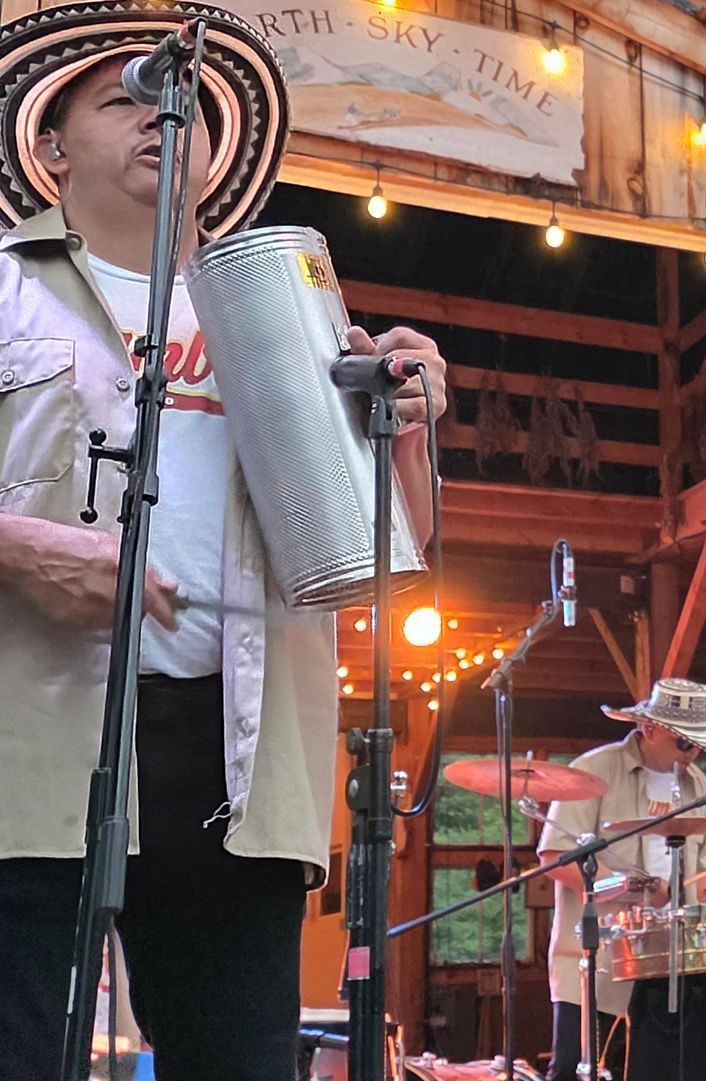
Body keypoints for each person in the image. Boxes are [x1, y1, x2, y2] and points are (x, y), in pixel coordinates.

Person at [0, 5, 447, 1079]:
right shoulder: (4, 283)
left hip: (239, 758)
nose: (165, 112)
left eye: (188, 103)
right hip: (24, 736)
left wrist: (406, 432)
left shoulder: (285, 304)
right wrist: (19, 546)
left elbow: (384, 556)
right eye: (127, 94)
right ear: (50, 144)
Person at [538, 678, 706, 1081]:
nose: (692, 749)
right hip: (598, 958)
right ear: (649, 728)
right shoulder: (594, 771)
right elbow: (555, 859)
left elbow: (697, 873)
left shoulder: (698, 783)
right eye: (683, 739)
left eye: (699, 740)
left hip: (669, 963)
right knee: (574, 1069)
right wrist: (631, 889)